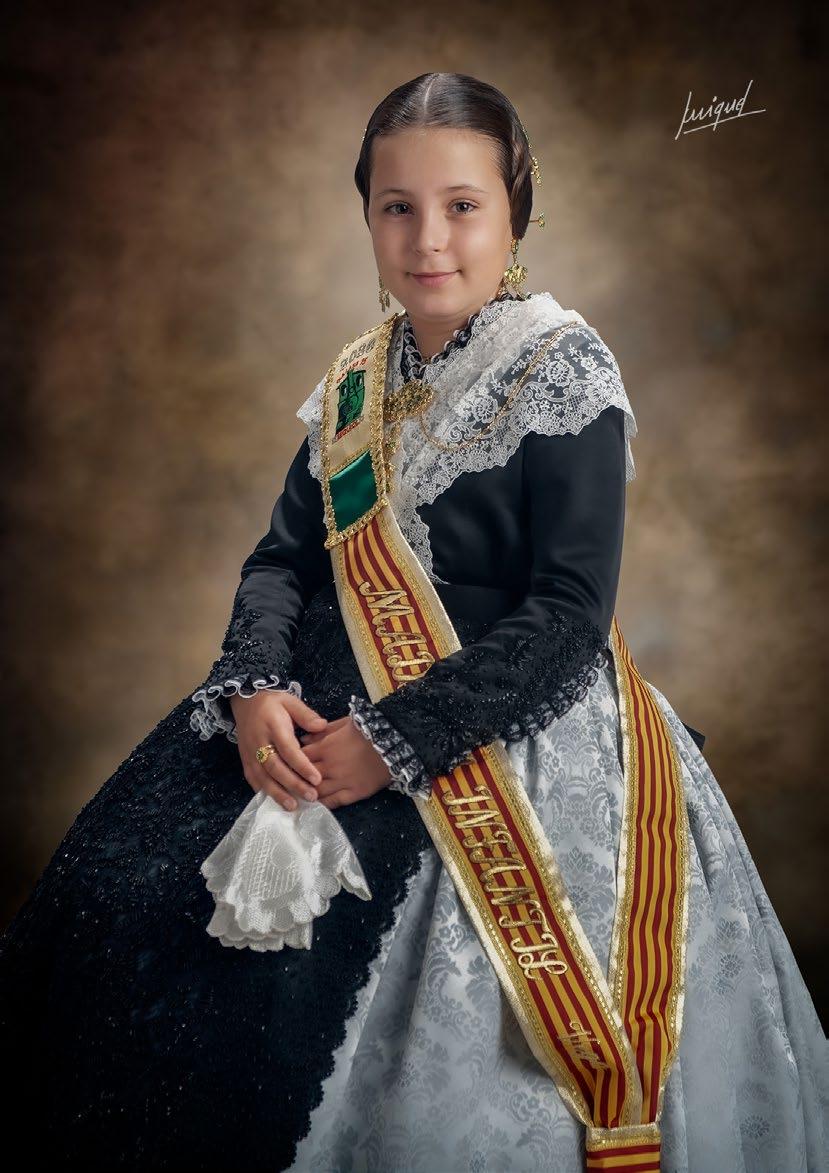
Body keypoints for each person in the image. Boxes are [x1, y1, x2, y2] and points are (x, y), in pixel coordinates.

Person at [1, 71, 826, 1173]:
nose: (427, 238)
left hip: (499, 724)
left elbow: (570, 615)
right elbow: (283, 560)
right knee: (119, 911)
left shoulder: (562, 367)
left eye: (461, 205)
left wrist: (391, 743)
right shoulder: (355, 380)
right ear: (367, 216)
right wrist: (253, 686)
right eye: (397, 206)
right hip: (310, 710)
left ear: (515, 213)